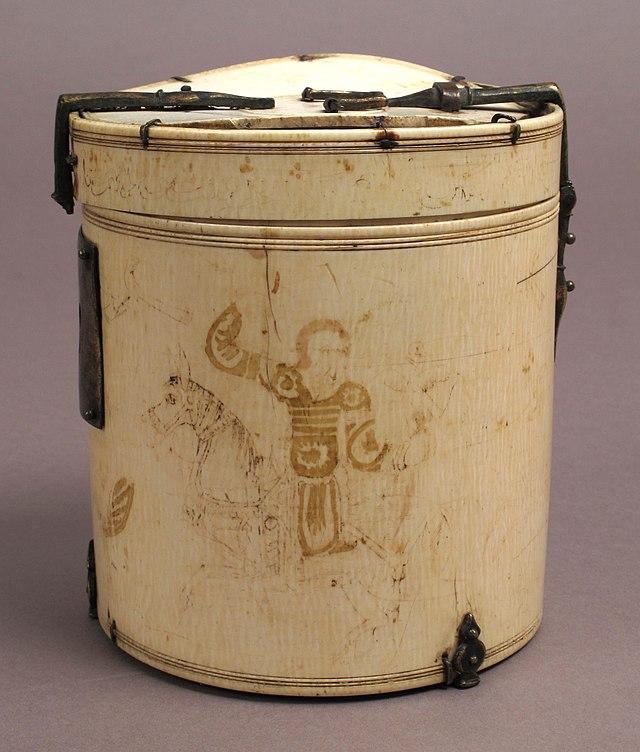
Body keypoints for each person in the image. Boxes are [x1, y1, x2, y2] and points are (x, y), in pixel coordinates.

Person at [205, 304, 389, 557]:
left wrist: (393, 453)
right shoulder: (287, 379)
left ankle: (323, 542)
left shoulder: (350, 393)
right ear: (307, 351)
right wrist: (236, 309)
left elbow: (361, 451)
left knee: (322, 517)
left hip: (329, 475)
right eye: (326, 351)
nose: (334, 359)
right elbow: (224, 353)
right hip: (290, 475)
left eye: (340, 352)